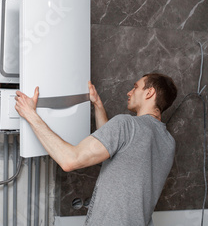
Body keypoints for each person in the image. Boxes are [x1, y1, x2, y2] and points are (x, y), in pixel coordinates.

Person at [15, 73, 178, 226]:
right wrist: (97, 104)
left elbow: (70, 161)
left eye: (135, 87)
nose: (129, 92)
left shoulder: (127, 125)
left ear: (149, 92)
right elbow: (114, 148)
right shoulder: (168, 142)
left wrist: (30, 114)